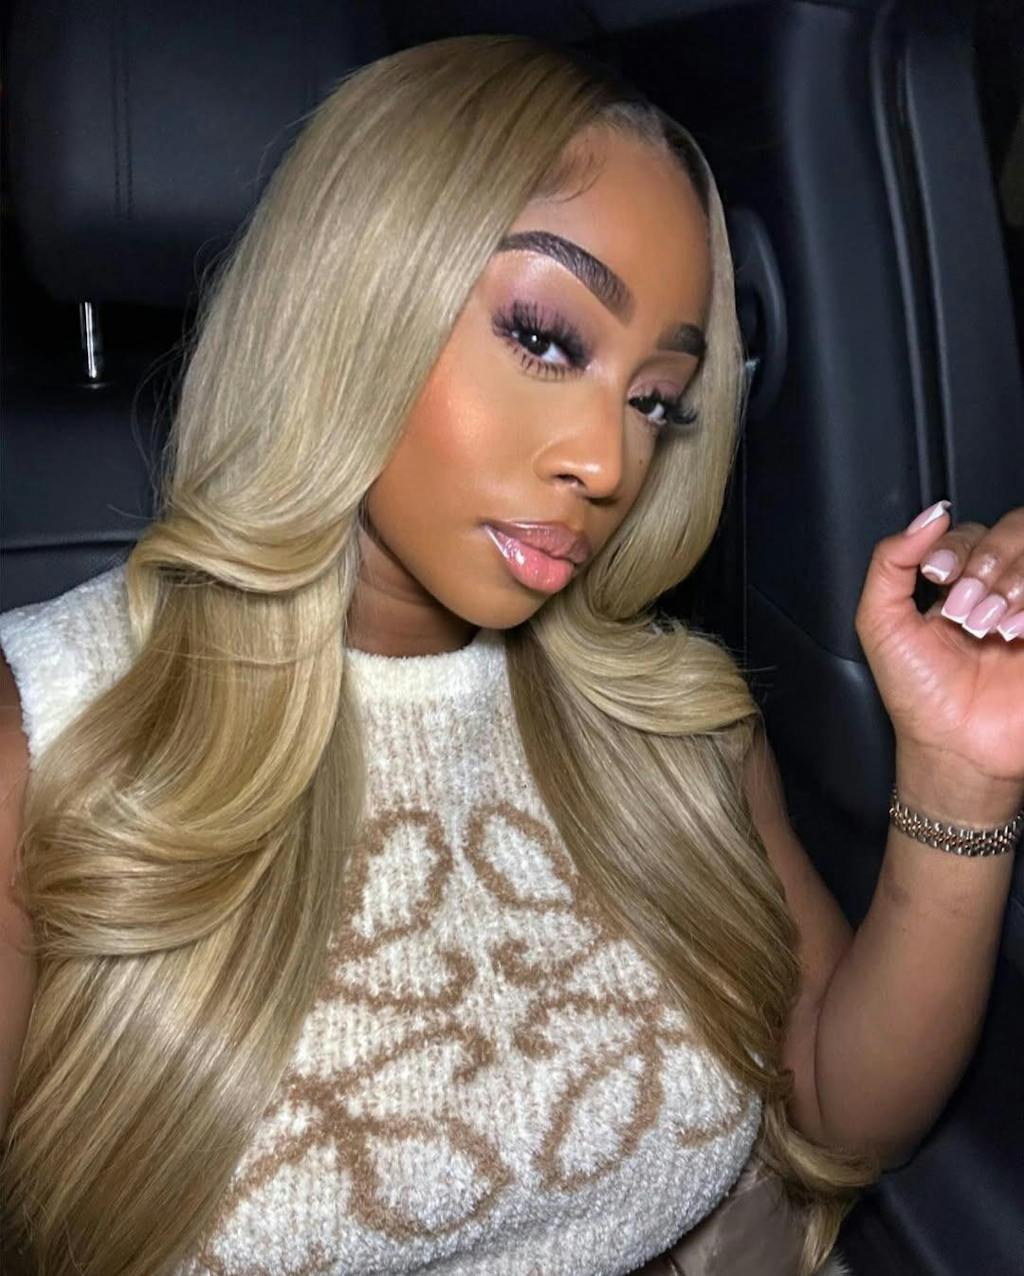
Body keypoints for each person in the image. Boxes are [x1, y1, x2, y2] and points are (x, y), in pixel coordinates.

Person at [1, 32, 1022, 1276]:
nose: (607, 461)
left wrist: (962, 777)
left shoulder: (667, 727)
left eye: (655, 400)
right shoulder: (48, 741)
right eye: (544, 337)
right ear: (355, 288)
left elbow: (836, 1114)